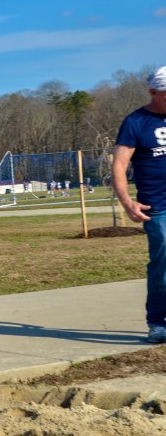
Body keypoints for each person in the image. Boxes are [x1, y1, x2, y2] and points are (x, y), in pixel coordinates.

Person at [112, 66, 166, 344]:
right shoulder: (136, 122)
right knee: (163, 263)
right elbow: (120, 165)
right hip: (157, 205)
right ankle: (158, 322)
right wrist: (126, 202)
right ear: (153, 92)